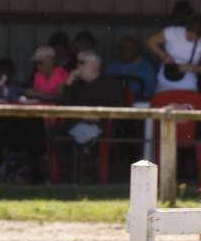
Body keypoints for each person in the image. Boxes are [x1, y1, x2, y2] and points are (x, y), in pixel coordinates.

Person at [51, 50, 126, 182]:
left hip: (97, 124)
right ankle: (64, 174)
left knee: (80, 136)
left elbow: (117, 106)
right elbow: (63, 105)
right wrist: (69, 81)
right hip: (73, 122)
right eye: (77, 63)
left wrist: (97, 116)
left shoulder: (109, 83)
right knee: (52, 132)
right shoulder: (76, 84)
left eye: (82, 63)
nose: (78, 67)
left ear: (94, 65)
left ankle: (83, 175)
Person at [147, 13, 201, 94]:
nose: (191, 39)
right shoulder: (172, 32)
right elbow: (150, 41)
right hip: (164, 82)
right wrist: (163, 55)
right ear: (186, 28)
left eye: (195, 38)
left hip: (188, 85)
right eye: (189, 35)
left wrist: (188, 68)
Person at [105, 35, 156, 100]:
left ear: (137, 49)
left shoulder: (147, 67)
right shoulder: (112, 66)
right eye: (122, 48)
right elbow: (106, 88)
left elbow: (150, 91)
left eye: (129, 47)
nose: (125, 50)